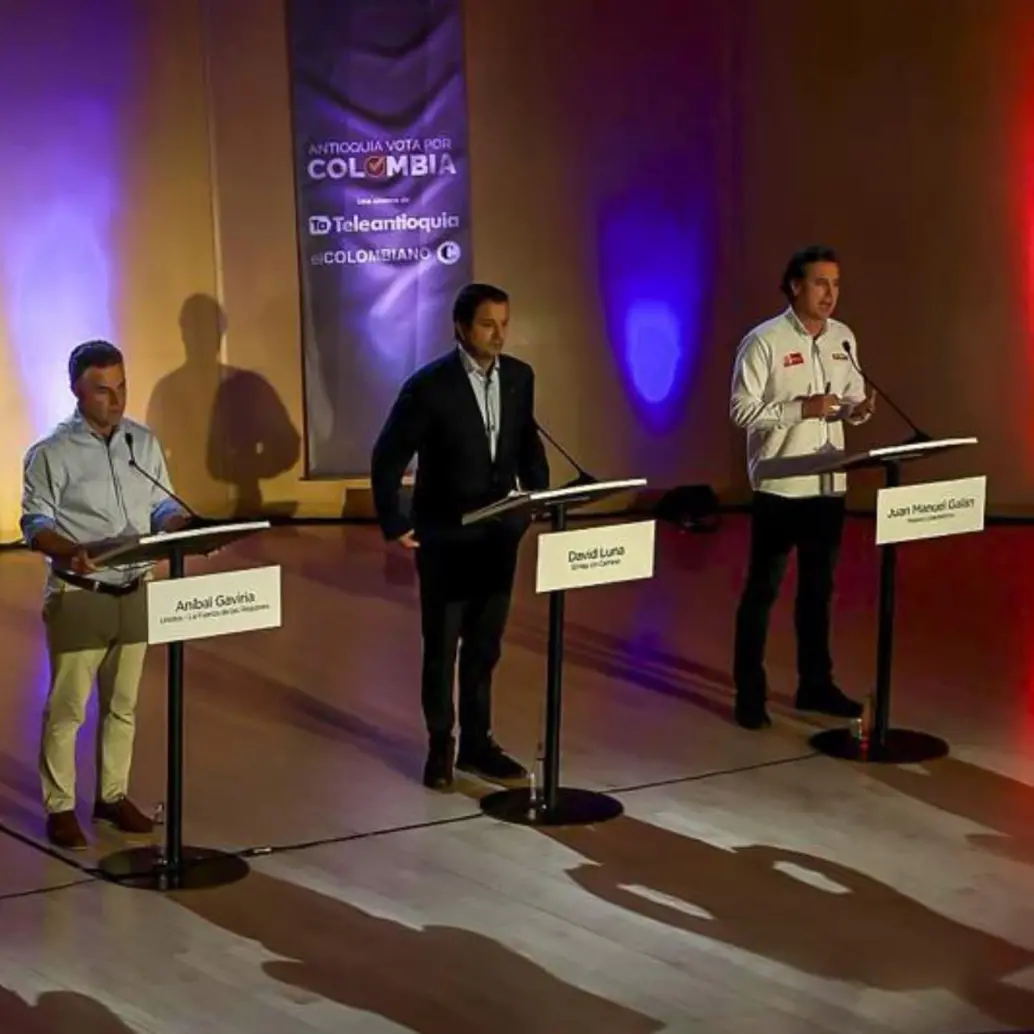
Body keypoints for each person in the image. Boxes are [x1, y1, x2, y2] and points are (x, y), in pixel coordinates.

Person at [371, 283, 550, 790]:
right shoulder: (429, 386)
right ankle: (440, 745)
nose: (499, 335)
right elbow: (388, 456)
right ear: (461, 327)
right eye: (488, 324)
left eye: (504, 324)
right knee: (442, 647)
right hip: (445, 537)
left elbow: (525, 440)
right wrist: (395, 520)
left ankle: (477, 743)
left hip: (499, 536)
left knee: (485, 646)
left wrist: (537, 494)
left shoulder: (519, 377)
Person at [21, 341, 190, 850]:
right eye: (102, 390)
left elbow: (161, 506)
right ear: (76, 390)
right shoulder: (50, 453)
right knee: (68, 707)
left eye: (121, 388)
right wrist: (69, 551)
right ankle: (61, 807)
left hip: (136, 589)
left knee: (123, 706)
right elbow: (35, 524)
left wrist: (180, 525)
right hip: (81, 594)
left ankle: (112, 796)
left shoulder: (143, 443)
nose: (115, 401)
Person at [729, 245, 876, 729]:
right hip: (779, 486)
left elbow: (850, 397)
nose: (830, 293)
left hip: (828, 484)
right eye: (820, 283)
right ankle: (749, 694)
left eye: (836, 284)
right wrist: (800, 409)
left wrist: (858, 410)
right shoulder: (763, 341)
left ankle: (816, 684)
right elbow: (742, 410)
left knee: (819, 592)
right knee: (763, 591)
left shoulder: (844, 338)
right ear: (795, 285)